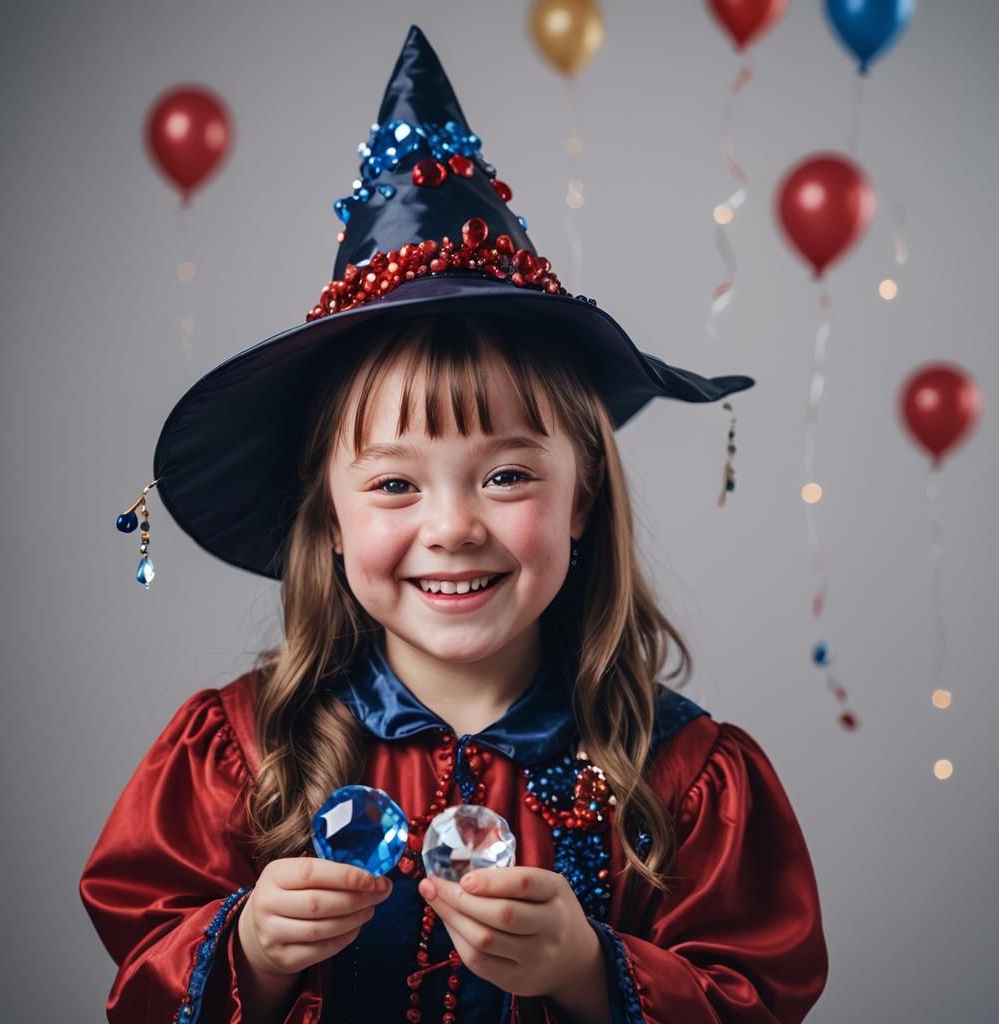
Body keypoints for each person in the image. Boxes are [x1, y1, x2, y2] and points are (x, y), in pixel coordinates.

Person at [81, 24, 828, 1024]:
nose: (454, 526)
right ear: (329, 518)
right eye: (394, 485)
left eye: (508, 474)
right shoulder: (237, 753)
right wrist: (250, 950)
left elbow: (756, 998)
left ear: (584, 499)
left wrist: (586, 969)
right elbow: (136, 980)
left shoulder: (684, 780)